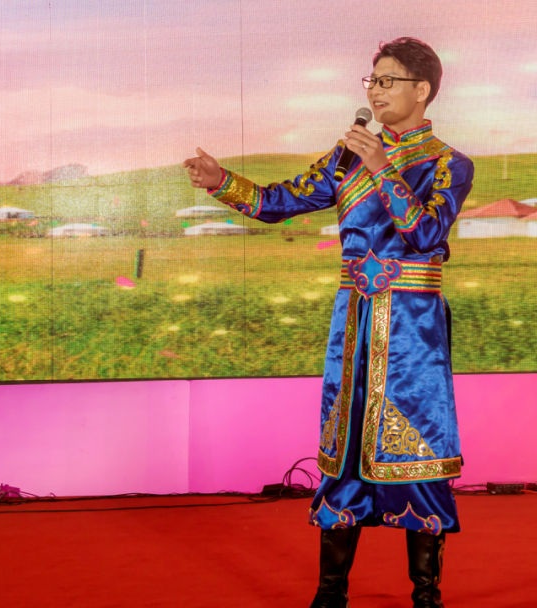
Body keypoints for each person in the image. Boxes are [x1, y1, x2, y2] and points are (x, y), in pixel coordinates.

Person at [184, 37, 474, 608]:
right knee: (344, 452)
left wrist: (381, 166)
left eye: (388, 80)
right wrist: (220, 181)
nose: (376, 91)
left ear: (422, 89)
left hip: (412, 331)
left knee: (416, 452)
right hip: (354, 324)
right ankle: (330, 593)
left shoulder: (448, 164)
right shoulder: (345, 157)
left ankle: (426, 596)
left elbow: (425, 233)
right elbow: (278, 202)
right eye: (372, 81)